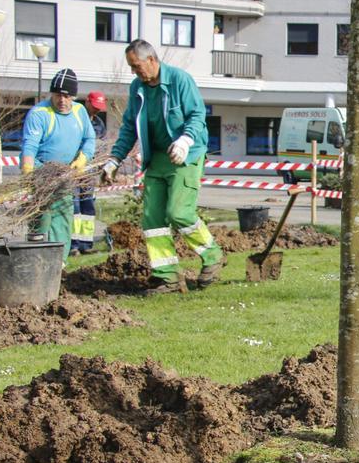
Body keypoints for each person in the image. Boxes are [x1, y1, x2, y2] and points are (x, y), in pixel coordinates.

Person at [100, 39, 224, 295]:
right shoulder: (138, 88)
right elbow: (128, 128)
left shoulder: (180, 80)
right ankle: (166, 276)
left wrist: (185, 141)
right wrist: (114, 159)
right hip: (156, 158)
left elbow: (197, 115)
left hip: (185, 156)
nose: (135, 72)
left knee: (179, 212)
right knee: (152, 220)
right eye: (132, 68)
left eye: (137, 66)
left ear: (152, 60)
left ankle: (213, 256)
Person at [20, 68, 95, 263]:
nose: (62, 100)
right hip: (41, 171)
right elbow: (29, 146)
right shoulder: (39, 113)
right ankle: (35, 258)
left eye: (67, 96)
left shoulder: (80, 112)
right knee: (41, 215)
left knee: (62, 216)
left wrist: (82, 159)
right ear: (51, 94)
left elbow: (89, 139)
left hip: (65, 173)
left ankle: (58, 263)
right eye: (57, 95)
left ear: (74, 96)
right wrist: (28, 173)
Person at [69, 91, 107, 255]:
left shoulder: (99, 124)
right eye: (95, 107)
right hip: (73, 171)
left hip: (89, 174)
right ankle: (73, 245)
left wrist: (102, 168)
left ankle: (86, 244)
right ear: (87, 103)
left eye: (100, 108)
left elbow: (101, 148)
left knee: (88, 208)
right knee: (74, 207)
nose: (97, 110)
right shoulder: (74, 119)